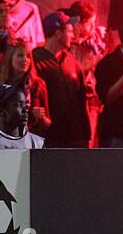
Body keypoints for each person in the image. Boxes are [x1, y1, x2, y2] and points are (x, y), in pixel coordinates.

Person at [31, 12, 92, 148]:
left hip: (74, 138)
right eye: (69, 31)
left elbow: (81, 99)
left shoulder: (72, 61)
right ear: (58, 34)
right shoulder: (35, 59)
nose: (73, 35)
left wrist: (85, 133)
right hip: (48, 138)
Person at [0, 83, 45, 149]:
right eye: (18, 105)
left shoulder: (37, 144)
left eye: (25, 104)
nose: (26, 109)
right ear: (1, 111)